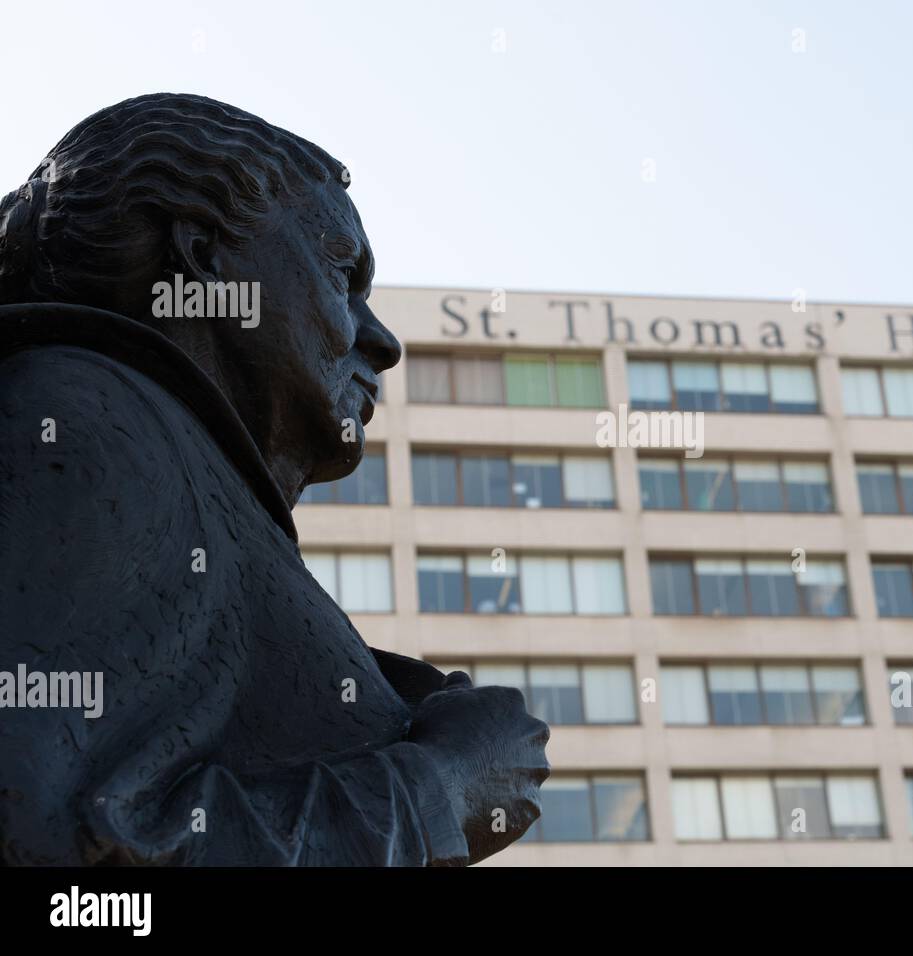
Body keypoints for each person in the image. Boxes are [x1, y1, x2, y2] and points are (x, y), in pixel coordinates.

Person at [0, 93, 548, 865]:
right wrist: (443, 787)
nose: (381, 341)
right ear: (201, 252)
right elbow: (46, 849)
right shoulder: (90, 419)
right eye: (341, 273)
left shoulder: (171, 459)